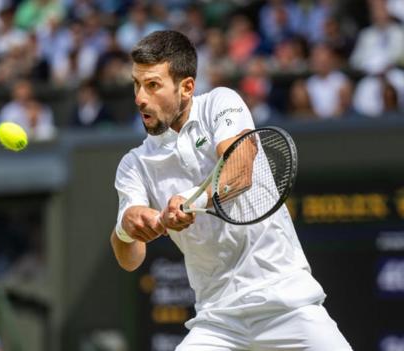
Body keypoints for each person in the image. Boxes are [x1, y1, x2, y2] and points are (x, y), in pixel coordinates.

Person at [110, 30, 351, 350]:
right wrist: (131, 228)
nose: (140, 97)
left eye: (152, 85)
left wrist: (191, 202)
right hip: (217, 322)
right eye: (137, 85)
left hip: (288, 304)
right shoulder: (134, 164)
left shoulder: (221, 103)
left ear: (187, 87)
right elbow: (129, 258)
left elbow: (240, 170)